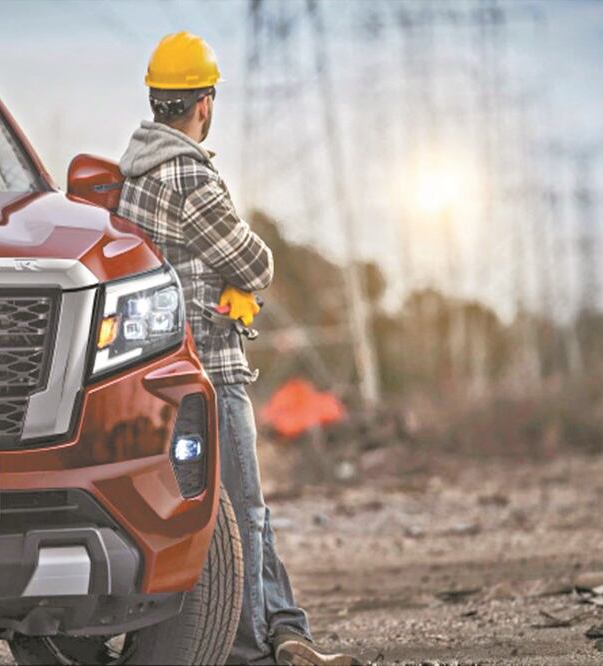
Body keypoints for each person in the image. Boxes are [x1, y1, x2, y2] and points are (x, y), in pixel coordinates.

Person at [116, 31, 360, 666]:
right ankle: (249, 649)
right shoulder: (187, 174)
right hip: (211, 369)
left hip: (159, 372)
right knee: (245, 513)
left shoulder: (134, 172)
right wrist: (242, 282)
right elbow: (256, 262)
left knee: (243, 513)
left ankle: (287, 630)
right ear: (205, 102)